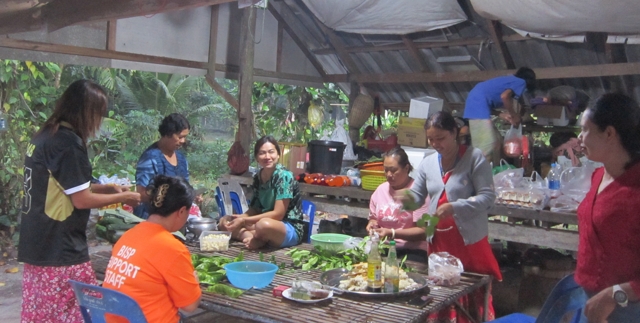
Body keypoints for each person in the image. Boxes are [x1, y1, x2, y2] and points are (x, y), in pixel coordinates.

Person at [18, 79, 141, 323]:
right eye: (98, 113)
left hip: (37, 244)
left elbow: (62, 185)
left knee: (42, 314)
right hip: (60, 249)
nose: (99, 120)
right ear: (86, 112)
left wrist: (106, 188)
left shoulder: (45, 136)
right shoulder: (67, 144)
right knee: (73, 313)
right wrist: (124, 197)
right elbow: (81, 200)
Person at [396, 111, 501, 322]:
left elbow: (488, 197)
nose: (436, 144)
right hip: (440, 241)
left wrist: (455, 207)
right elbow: (417, 196)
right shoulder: (428, 163)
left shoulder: (474, 158)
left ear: (454, 133)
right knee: (442, 290)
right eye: (431, 139)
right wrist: (405, 198)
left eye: (440, 138)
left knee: (470, 288)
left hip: (468, 241)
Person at [574, 93, 640, 322]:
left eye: (585, 130)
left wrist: (615, 296)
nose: (580, 137)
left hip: (627, 306)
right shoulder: (599, 175)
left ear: (610, 133)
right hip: (591, 301)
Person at [103, 175, 201, 323]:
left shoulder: (128, 236)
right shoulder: (171, 247)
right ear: (181, 212)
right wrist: (195, 279)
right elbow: (190, 306)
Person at [218, 136, 305, 249]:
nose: (267, 157)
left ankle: (256, 237)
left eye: (271, 152)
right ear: (257, 157)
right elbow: (255, 208)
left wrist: (244, 220)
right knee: (224, 222)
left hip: (287, 227)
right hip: (261, 224)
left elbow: (278, 214)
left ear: (278, 155)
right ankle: (255, 239)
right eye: (262, 153)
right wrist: (238, 218)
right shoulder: (258, 177)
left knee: (263, 225)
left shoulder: (284, 176)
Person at [366, 147, 430, 261]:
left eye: (393, 170)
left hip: (412, 250)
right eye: (386, 170)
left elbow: (423, 231)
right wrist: (372, 225)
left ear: (406, 168)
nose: (389, 174)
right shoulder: (380, 190)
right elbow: (373, 219)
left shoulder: (418, 192)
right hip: (384, 246)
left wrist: (392, 233)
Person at [463, 67, 536, 164]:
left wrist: (500, 114)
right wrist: (514, 115)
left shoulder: (510, 80)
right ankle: (480, 172)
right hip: (477, 103)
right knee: (486, 145)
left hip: (476, 100)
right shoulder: (521, 82)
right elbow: (504, 97)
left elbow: (489, 98)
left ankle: (493, 170)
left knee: (496, 142)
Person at [134, 113, 190, 219]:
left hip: (174, 218)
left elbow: (186, 186)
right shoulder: (150, 157)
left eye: (185, 137)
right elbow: (141, 194)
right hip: (151, 217)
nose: (183, 141)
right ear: (167, 134)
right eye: (180, 137)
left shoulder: (181, 158)